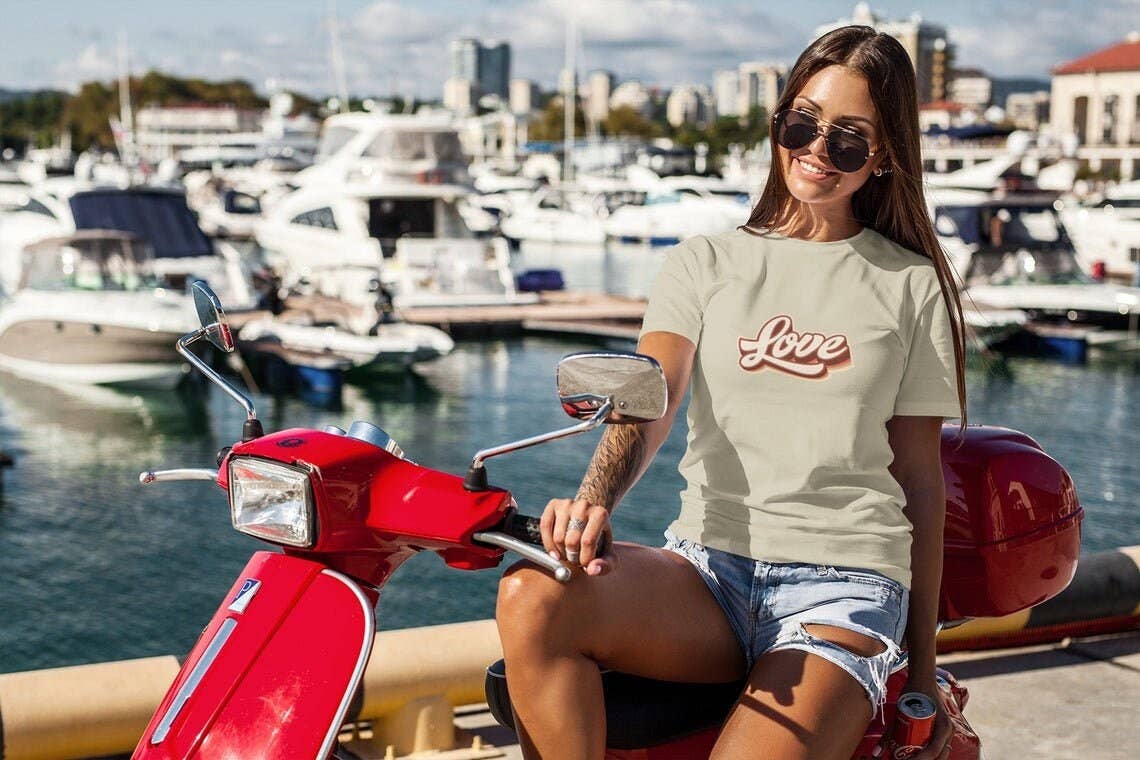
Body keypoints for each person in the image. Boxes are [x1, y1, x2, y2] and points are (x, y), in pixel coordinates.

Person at [496, 25, 967, 760]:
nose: (817, 149)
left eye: (849, 139)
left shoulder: (912, 284)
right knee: (532, 594)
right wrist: (592, 501)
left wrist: (926, 669)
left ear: (883, 156)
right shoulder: (705, 261)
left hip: (844, 586)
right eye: (802, 123)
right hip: (706, 573)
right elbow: (650, 394)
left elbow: (919, 480)